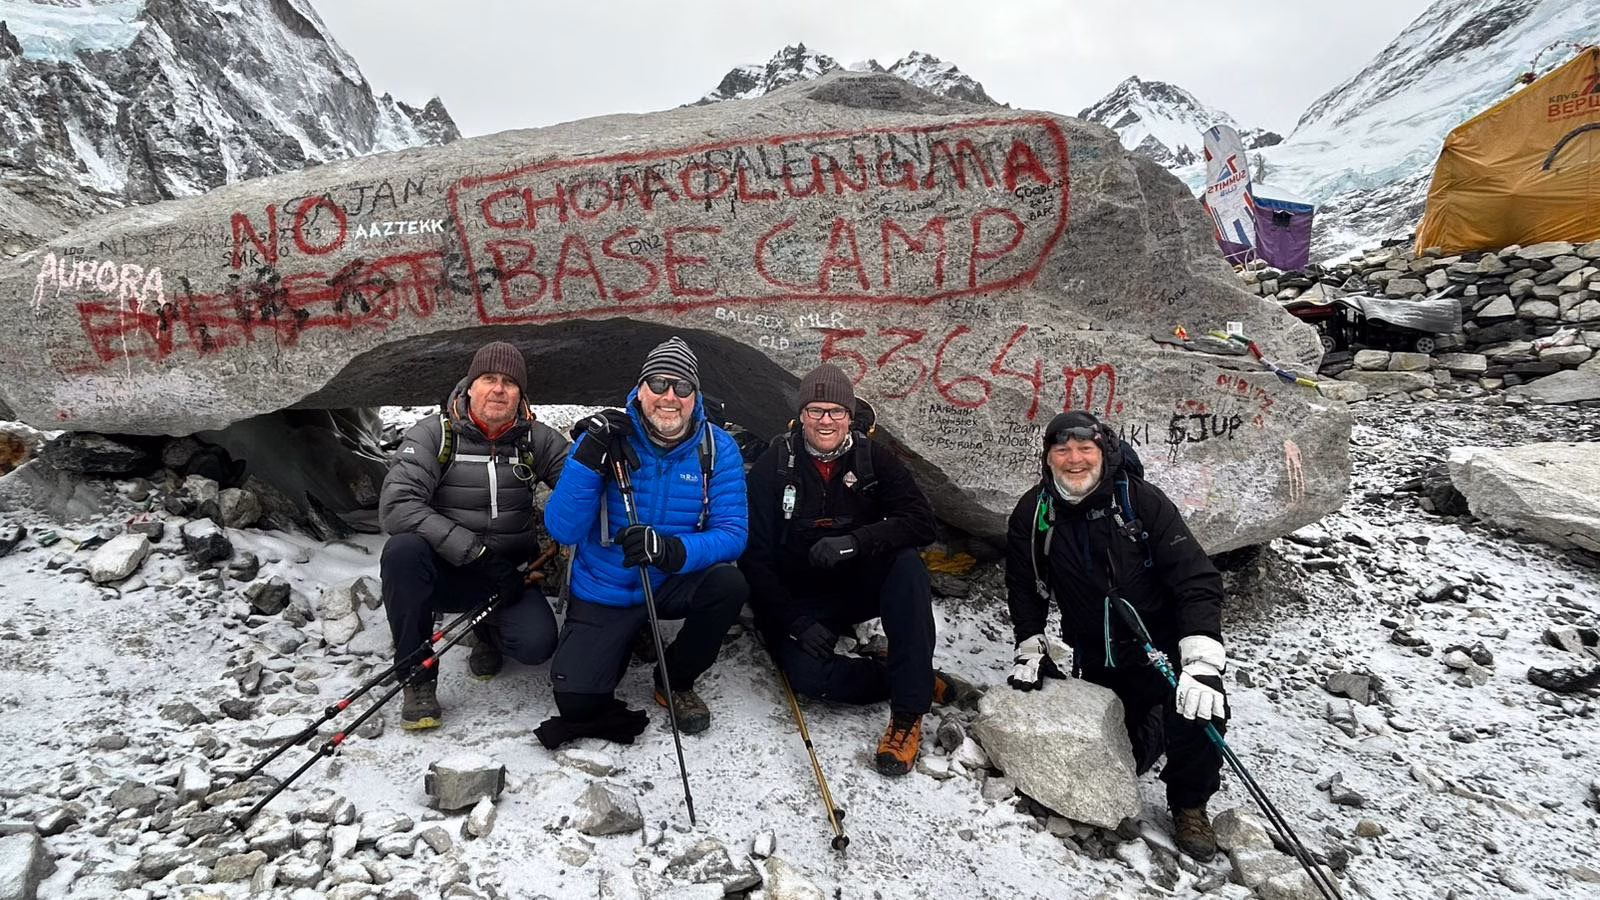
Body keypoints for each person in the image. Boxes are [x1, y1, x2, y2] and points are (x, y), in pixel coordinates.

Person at [1003, 410, 1228, 860]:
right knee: (1123, 761)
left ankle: (1189, 803)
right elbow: (1025, 585)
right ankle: (1155, 732)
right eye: (1061, 450)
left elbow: (1196, 579)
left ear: (1104, 453)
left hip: (1161, 653)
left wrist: (1201, 657)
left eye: (1085, 449)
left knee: (1203, 713)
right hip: (1097, 659)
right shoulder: (1035, 512)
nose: (1074, 460)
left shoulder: (1142, 503)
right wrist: (1030, 642)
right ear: (1047, 458)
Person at [741, 363, 974, 777]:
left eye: (835, 411)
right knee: (810, 677)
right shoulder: (775, 465)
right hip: (800, 597)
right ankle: (902, 672)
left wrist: (857, 542)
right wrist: (793, 621)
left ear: (850, 415)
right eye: (815, 410)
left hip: (859, 585)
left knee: (907, 567)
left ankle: (908, 711)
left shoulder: (873, 459)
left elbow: (921, 522)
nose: (825, 420)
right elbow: (754, 556)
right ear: (801, 415)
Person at [538, 336, 748, 746]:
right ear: (640, 389)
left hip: (669, 580)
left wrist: (673, 550)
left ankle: (674, 678)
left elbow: (733, 534)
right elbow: (562, 530)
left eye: (682, 387)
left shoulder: (717, 448)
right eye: (659, 384)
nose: (670, 397)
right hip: (605, 586)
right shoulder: (604, 438)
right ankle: (627, 633)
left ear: (695, 396)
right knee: (577, 703)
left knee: (728, 584)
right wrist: (587, 457)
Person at [379, 340, 570, 730]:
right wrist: (478, 553)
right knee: (402, 554)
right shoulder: (435, 435)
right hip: (448, 569)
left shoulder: (536, 439)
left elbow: (580, 484)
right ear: (470, 386)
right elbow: (398, 506)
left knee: (537, 646)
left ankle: (489, 630)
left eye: (509, 382)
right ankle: (417, 676)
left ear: (520, 394)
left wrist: (600, 448)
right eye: (488, 378)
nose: (499, 389)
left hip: (510, 577)